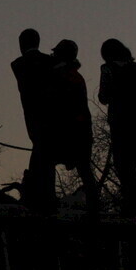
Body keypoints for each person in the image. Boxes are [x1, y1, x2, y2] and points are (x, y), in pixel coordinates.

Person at [46, 39, 99, 218]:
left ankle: (50, 202)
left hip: (66, 130)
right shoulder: (75, 75)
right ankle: (94, 205)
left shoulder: (60, 75)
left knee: (49, 161)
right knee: (84, 168)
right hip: (80, 129)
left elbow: (56, 104)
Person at [98, 38, 136, 217]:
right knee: (130, 162)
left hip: (120, 121)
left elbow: (103, 96)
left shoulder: (108, 69)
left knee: (123, 164)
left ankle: (131, 204)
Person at [11, 28, 57, 212]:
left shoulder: (18, 64)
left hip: (32, 115)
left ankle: (41, 196)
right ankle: (47, 195)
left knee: (41, 152)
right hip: (51, 114)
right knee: (47, 154)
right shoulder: (50, 62)